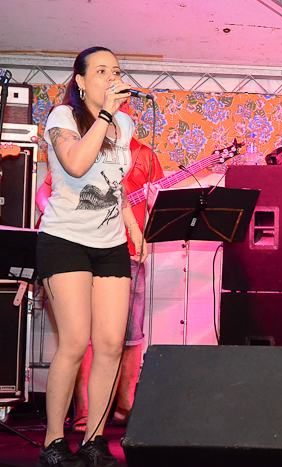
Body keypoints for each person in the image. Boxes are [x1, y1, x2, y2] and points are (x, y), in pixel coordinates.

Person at [36, 46, 144, 467]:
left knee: (112, 343)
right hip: (65, 239)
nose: (111, 77)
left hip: (110, 243)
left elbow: (114, 183)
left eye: (115, 70)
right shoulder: (62, 118)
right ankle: (53, 443)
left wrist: (133, 226)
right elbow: (78, 165)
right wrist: (104, 116)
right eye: (101, 71)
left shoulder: (125, 124)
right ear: (80, 81)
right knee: (75, 340)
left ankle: (95, 441)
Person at [36, 135, 163, 433]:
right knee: (79, 338)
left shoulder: (144, 154)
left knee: (128, 336)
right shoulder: (82, 146)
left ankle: (124, 408)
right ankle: (82, 412)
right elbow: (45, 192)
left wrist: (148, 209)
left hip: (127, 251)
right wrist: (54, 215)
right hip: (79, 249)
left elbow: (153, 201)